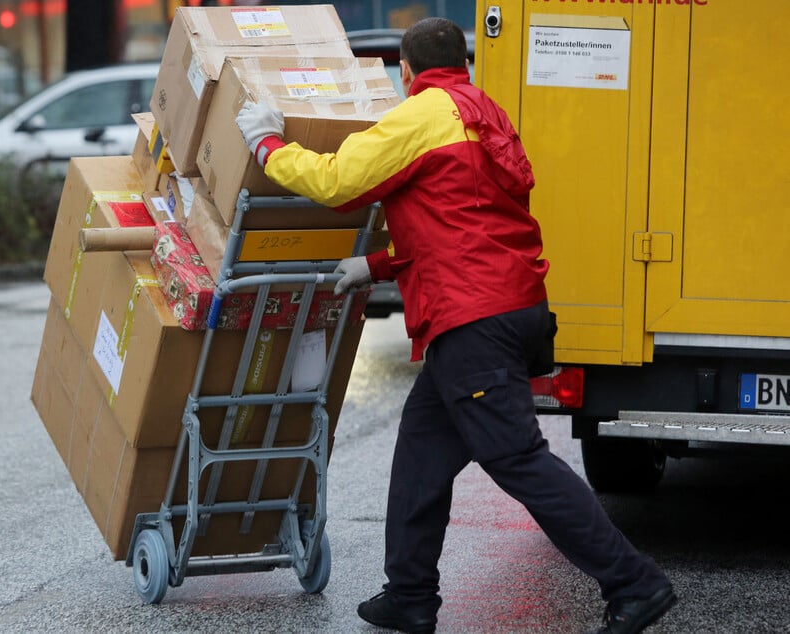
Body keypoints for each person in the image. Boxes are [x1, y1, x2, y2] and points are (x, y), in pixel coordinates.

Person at [235, 16, 676, 634]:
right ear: (463, 62)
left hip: (473, 318)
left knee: (517, 458)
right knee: (421, 452)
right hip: (510, 306)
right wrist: (378, 262)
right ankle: (410, 595)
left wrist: (267, 145)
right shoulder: (486, 113)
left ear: (406, 71)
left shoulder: (418, 116)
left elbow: (338, 183)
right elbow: (467, 220)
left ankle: (636, 583)